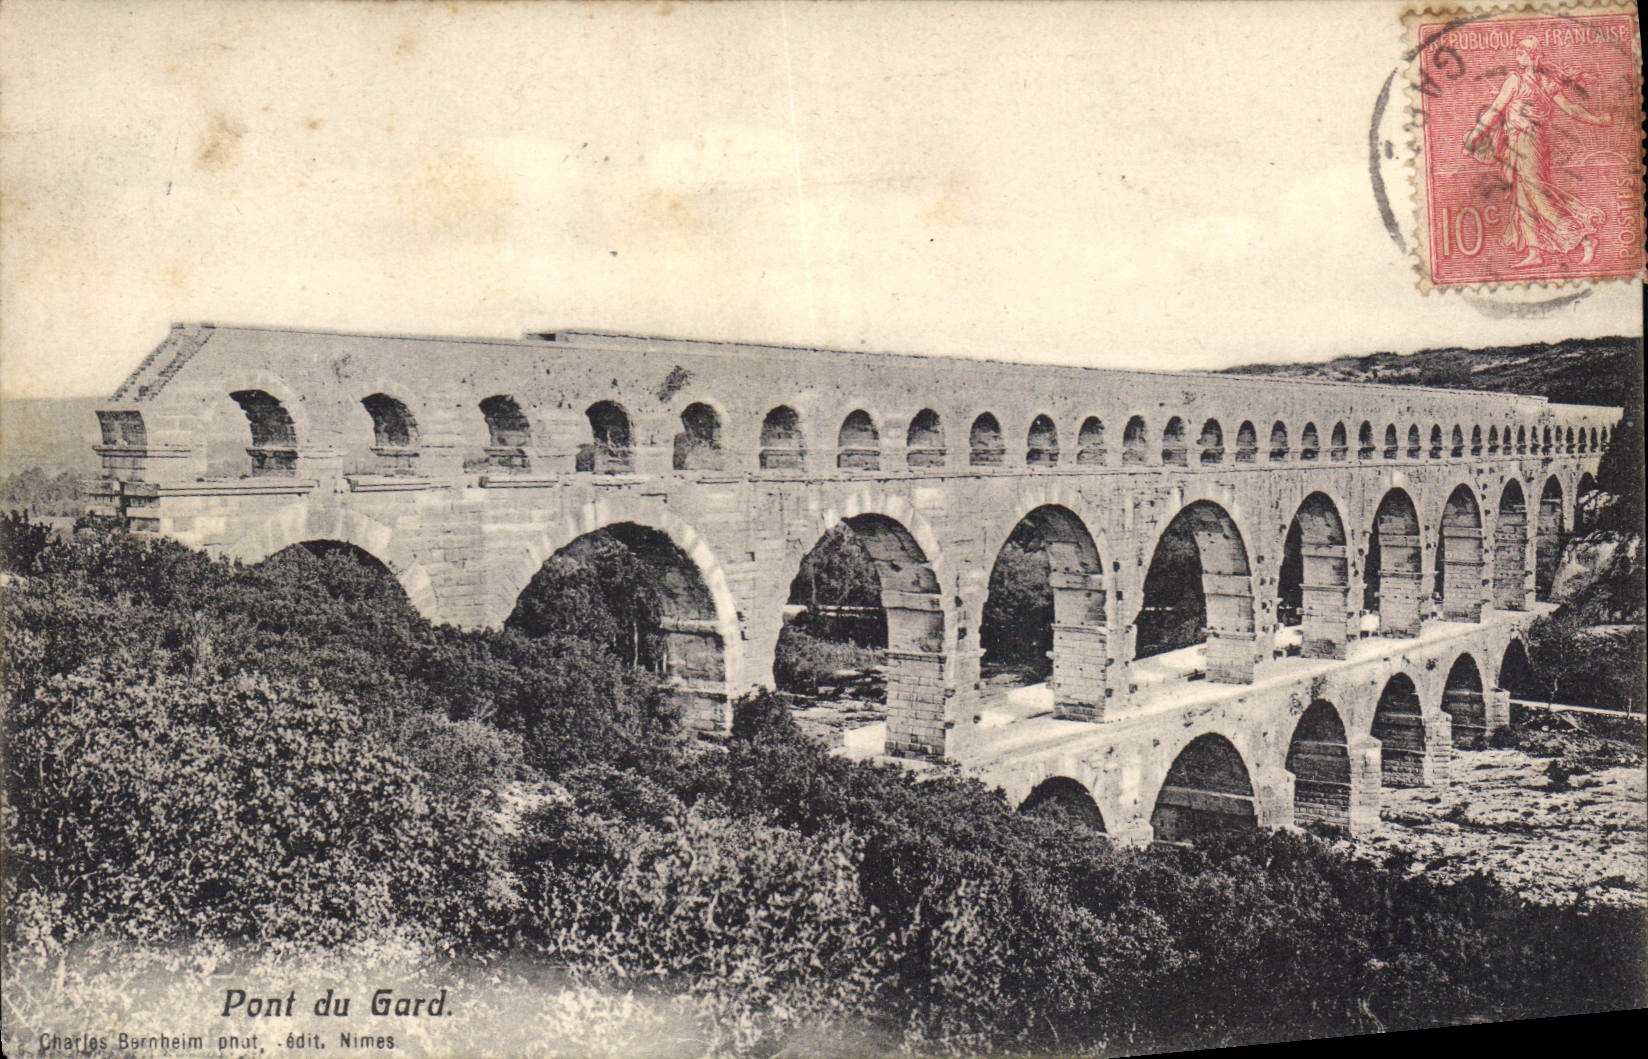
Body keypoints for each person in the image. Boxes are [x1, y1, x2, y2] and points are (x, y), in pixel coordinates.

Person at [1462, 36, 1614, 268]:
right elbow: (1494, 111)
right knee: (1522, 197)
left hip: (1531, 144)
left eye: (1521, 52)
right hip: (1516, 144)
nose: (1517, 56)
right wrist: (1474, 136)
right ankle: (1535, 252)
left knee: (1537, 194)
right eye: (1517, 51)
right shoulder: (1516, 80)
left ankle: (1584, 238)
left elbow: (1571, 109)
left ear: (1533, 55)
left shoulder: (1544, 83)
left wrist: (1598, 120)